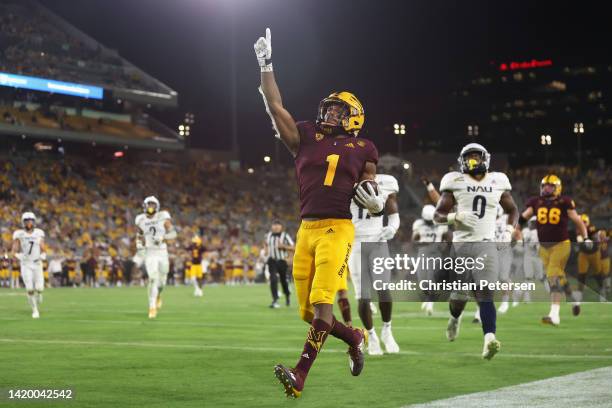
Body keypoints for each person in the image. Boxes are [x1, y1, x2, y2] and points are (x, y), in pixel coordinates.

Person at [256, 28, 383, 398]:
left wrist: (372, 197)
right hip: (306, 229)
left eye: (338, 109)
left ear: (354, 117)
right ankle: (355, 336)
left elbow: (370, 181)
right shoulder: (306, 135)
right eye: (328, 107)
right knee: (307, 314)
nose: (329, 112)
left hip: (337, 229)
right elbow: (274, 105)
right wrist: (266, 64)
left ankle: (299, 376)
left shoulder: (364, 146)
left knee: (323, 305)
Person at [434, 143, 519, 360]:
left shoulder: (497, 180)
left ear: (485, 159)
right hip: (462, 245)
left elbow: (512, 210)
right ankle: (455, 319)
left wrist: (509, 230)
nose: (472, 161)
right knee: (460, 297)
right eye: (468, 157)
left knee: (485, 293)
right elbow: (438, 215)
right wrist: (455, 217)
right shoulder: (455, 181)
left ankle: (489, 338)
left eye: (475, 157)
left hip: (486, 244)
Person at [516, 175, 590, 325]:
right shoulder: (536, 201)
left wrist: (586, 237)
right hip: (544, 247)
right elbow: (523, 218)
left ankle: (554, 314)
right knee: (559, 276)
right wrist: (515, 230)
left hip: (561, 244)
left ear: (558, 188)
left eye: (550, 186)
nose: (546, 189)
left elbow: (578, 221)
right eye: (544, 186)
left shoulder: (564, 202)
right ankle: (573, 298)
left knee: (552, 276)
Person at [135, 196, 177, 319]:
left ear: (157, 206)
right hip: (150, 252)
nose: (150, 207)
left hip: (162, 252)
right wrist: (138, 244)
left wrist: (163, 238)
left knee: (162, 282)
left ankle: (158, 295)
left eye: (153, 205)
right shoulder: (140, 219)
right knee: (152, 278)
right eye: (149, 204)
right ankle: (152, 307)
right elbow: (139, 234)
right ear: (144, 206)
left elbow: (174, 233)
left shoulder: (163, 216)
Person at [12, 212, 47, 319]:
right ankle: (35, 310)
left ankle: (40, 293)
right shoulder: (19, 234)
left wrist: (43, 254)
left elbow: (43, 247)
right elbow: (14, 249)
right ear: (23, 222)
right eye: (27, 221)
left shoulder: (39, 233)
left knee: (39, 288)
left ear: (34, 221)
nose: (29, 223)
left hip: (37, 263)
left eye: (31, 221)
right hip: (26, 264)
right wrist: (17, 256)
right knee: (29, 289)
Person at [264, 221, 294, 308]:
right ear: (272, 226)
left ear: (281, 227)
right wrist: (266, 250)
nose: (276, 227)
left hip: (282, 261)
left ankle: (287, 295)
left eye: (278, 225)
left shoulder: (285, 235)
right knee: (273, 279)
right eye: (274, 225)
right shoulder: (268, 235)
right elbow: (265, 243)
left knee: (283, 281)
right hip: (272, 260)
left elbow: (293, 247)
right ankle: (275, 300)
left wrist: (284, 246)